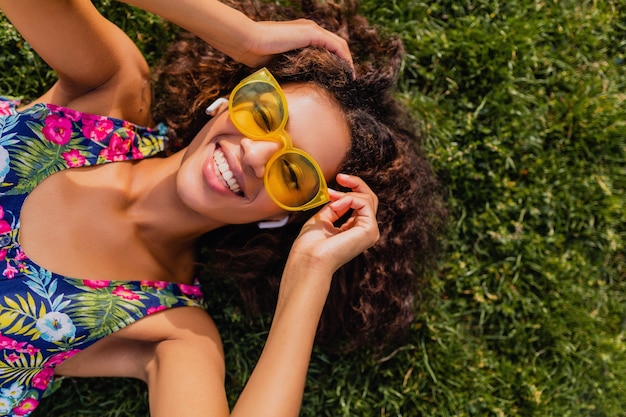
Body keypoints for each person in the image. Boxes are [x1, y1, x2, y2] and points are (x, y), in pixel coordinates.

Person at [0, 0, 446, 416]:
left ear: (285, 218)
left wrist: (311, 270)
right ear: (226, 100)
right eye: (264, 113)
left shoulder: (172, 331)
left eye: (291, 173)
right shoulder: (108, 93)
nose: (254, 155)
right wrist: (239, 34)